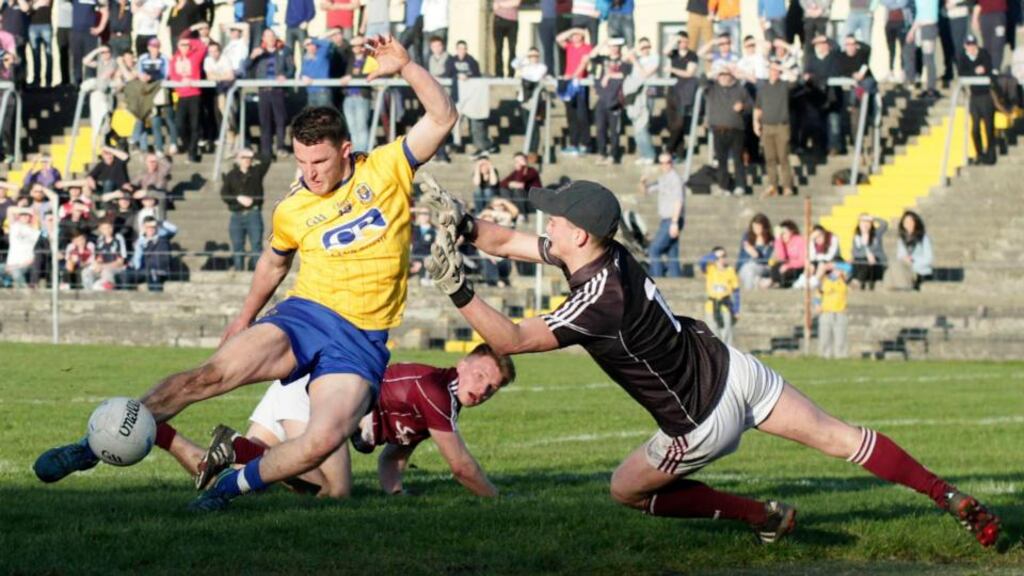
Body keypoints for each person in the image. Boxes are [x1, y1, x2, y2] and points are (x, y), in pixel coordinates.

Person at [419, 178, 1002, 549]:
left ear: (578, 233)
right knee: (841, 437)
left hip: (700, 417)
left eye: (556, 218)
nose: (546, 224)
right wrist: (465, 226)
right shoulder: (605, 254)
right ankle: (946, 495)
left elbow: (514, 338)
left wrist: (456, 287)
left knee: (625, 490)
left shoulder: (600, 298)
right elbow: (510, 241)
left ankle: (759, 516)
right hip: (735, 369)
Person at [34, 37, 459, 515]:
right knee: (209, 376)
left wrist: (407, 66)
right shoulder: (294, 207)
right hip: (306, 315)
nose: (310, 173)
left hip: (361, 338)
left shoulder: (386, 167)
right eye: (301, 162)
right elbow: (274, 263)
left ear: (346, 150)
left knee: (323, 440)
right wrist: (244, 318)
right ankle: (91, 447)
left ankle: (226, 490)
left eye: (319, 162)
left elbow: (443, 117)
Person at [165, 347, 515, 498]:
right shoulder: (437, 391)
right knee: (334, 491)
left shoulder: (442, 397)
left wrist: (395, 494)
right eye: (481, 375)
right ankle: (237, 446)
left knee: (239, 482)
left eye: (492, 388)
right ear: (463, 363)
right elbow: (462, 467)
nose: (483, 389)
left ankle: (161, 434)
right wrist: (498, 499)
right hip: (315, 395)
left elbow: (393, 456)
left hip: (311, 391)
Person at [220, 148, 271, 271]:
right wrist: (238, 198)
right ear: (238, 159)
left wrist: (252, 153)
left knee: (256, 245)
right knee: (238, 246)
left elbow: (267, 160)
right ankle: (239, 271)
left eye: (249, 158)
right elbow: (224, 194)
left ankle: (258, 273)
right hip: (236, 215)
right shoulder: (232, 175)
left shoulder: (256, 172)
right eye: (243, 157)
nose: (247, 160)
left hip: (254, 213)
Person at [246, 28, 294, 158]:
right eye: (267, 36)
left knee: (281, 119)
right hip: (263, 90)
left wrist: (285, 76)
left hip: (278, 90)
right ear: (263, 39)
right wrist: (251, 57)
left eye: (272, 36)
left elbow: (291, 70)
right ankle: (266, 150)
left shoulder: (284, 50)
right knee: (264, 121)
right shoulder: (259, 52)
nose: (270, 39)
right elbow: (245, 67)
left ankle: (280, 146)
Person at [706, 65, 752, 196]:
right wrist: (713, 71)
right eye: (721, 75)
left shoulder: (740, 89)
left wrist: (743, 106)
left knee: (738, 159)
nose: (724, 77)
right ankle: (724, 186)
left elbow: (751, 106)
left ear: (731, 76)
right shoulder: (712, 88)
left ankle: (740, 185)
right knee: (721, 160)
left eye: (726, 75)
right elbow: (701, 81)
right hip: (718, 130)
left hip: (736, 129)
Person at [754, 61, 795, 197]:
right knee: (769, 158)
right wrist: (756, 123)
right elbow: (758, 107)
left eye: (776, 70)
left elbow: (794, 78)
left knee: (783, 157)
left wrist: (782, 67)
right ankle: (773, 186)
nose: (774, 72)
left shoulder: (784, 85)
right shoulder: (763, 88)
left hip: (781, 126)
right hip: (767, 126)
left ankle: (787, 186)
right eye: (771, 69)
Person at [641, 153, 684, 278]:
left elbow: (678, 201)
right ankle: (676, 279)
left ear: (672, 162)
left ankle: (657, 278)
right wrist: (643, 182)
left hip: (672, 219)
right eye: (662, 163)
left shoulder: (675, 179)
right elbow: (646, 192)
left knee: (654, 249)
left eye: (668, 162)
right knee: (672, 252)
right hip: (666, 219)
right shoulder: (663, 178)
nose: (665, 165)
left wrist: (675, 222)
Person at [590, 37, 631, 165]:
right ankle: (602, 153)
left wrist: (609, 75)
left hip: (615, 100)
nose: (614, 49)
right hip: (602, 99)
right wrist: (602, 42)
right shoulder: (603, 59)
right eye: (612, 46)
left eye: (616, 47)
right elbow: (591, 55)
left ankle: (613, 155)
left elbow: (624, 74)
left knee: (614, 130)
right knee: (600, 128)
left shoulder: (623, 62)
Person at [169, 34, 208, 163]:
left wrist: (189, 39)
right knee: (179, 124)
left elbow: (202, 47)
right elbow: (173, 74)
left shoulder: (194, 56)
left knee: (195, 124)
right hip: (182, 95)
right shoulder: (175, 59)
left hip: (195, 94)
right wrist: (182, 80)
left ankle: (192, 151)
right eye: (182, 45)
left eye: (186, 45)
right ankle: (187, 145)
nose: (185, 47)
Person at [959, 35, 997, 165]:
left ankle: (990, 154)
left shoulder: (984, 54)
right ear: (965, 46)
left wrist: (981, 71)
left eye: (973, 44)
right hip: (974, 96)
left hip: (986, 95)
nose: (971, 48)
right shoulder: (963, 57)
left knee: (988, 127)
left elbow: (988, 69)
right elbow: (962, 73)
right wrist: (975, 71)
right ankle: (979, 154)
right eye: (969, 45)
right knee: (975, 128)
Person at [556, 27, 593, 156]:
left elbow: (584, 63)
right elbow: (559, 38)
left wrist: (573, 76)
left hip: (580, 83)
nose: (575, 37)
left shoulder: (587, 47)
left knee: (582, 115)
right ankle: (574, 143)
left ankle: (585, 143)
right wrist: (573, 30)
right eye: (573, 35)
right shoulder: (570, 47)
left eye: (578, 35)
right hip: (568, 83)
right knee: (571, 115)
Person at [664, 32, 699, 160]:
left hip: (684, 92)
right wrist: (674, 39)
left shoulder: (692, 55)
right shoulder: (674, 53)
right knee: (672, 124)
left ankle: (668, 149)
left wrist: (672, 70)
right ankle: (678, 153)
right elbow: (665, 51)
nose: (682, 43)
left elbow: (689, 73)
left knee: (679, 123)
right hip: (672, 91)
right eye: (680, 41)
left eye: (684, 41)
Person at [340, 36, 375, 153]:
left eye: (360, 45)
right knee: (352, 129)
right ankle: (356, 154)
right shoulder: (348, 59)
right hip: (348, 97)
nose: (357, 48)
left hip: (362, 97)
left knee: (361, 127)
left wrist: (352, 77)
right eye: (354, 46)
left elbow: (369, 75)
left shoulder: (369, 59)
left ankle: (362, 154)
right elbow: (341, 48)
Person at [815, 257, 849, 358]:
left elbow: (849, 267)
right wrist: (817, 304)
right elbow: (818, 293)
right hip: (826, 312)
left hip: (840, 313)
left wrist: (835, 265)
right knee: (824, 341)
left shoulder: (844, 279)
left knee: (840, 341)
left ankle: (841, 360)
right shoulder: (824, 279)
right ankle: (824, 360)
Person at [907, 0, 940, 98]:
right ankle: (929, 87)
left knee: (928, 58)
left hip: (928, 27)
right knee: (927, 58)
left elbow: (922, 16)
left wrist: (911, 31)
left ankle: (931, 88)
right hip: (924, 27)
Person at [86, 218, 127, 290]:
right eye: (104, 228)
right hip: (103, 266)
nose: (107, 230)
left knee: (107, 272)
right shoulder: (100, 239)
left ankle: (109, 295)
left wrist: (103, 266)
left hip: (117, 267)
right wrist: (97, 264)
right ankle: (88, 294)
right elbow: (99, 258)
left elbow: (120, 262)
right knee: (86, 272)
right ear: (100, 229)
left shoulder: (118, 238)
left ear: (112, 227)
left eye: (109, 227)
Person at [896, 210, 933, 290]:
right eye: (906, 222)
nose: (908, 224)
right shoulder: (901, 240)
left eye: (911, 221)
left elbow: (929, 259)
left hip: (921, 271)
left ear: (916, 222)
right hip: (906, 271)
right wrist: (904, 259)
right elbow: (900, 256)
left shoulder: (924, 238)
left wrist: (912, 261)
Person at [737, 213, 774, 290]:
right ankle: (757, 283)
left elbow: (767, 261)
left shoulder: (771, 241)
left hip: (763, 267)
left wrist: (756, 255)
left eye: (758, 227)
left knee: (749, 269)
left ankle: (749, 293)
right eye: (754, 227)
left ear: (764, 227)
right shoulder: (747, 236)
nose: (755, 229)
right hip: (745, 267)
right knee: (748, 270)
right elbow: (741, 257)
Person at [850, 213, 887, 290]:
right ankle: (858, 281)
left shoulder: (876, 234)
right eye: (863, 222)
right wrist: (868, 254)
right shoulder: (857, 237)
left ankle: (857, 280)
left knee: (864, 260)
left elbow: (884, 224)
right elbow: (855, 252)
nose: (865, 225)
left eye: (868, 222)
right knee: (860, 260)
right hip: (863, 262)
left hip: (877, 262)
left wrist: (873, 217)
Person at [497, 152, 541, 216]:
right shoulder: (515, 172)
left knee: (518, 190)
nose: (519, 163)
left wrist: (522, 168)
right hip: (520, 202)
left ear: (525, 160)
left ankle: (521, 215)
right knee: (503, 189)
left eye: (521, 160)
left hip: (533, 204)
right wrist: (510, 184)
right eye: (517, 161)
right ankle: (510, 211)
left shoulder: (532, 171)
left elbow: (520, 182)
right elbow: (501, 183)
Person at [770, 219, 805, 288]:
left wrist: (789, 265)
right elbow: (782, 258)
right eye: (781, 233)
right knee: (776, 266)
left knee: (784, 270)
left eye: (784, 233)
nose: (782, 235)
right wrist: (778, 240)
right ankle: (777, 282)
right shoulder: (780, 242)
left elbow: (802, 261)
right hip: (785, 266)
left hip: (798, 268)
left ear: (791, 231)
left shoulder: (800, 240)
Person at [973, 0, 1007, 71]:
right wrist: (975, 18)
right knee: (987, 45)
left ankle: (995, 69)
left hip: (998, 16)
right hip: (984, 16)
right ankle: (988, 69)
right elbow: (977, 3)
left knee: (997, 44)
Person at [300, 36, 333, 108]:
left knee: (323, 116)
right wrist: (303, 77)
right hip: (310, 92)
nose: (310, 47)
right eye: (308, 45)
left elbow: (327, 43)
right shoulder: (306, 58)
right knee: (313, 117)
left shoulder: (321, 53)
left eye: (312, 44)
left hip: (322, 91)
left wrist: (312, 40)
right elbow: (302, 73)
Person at [492, 0, 520, 78]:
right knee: (498, 48)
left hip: (512, 21)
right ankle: (499, 73)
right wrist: (507, 4)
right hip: (498, 21)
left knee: (512, 49)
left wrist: (501, 4)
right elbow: (494, 6)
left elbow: (516, 2)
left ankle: (511, 73)